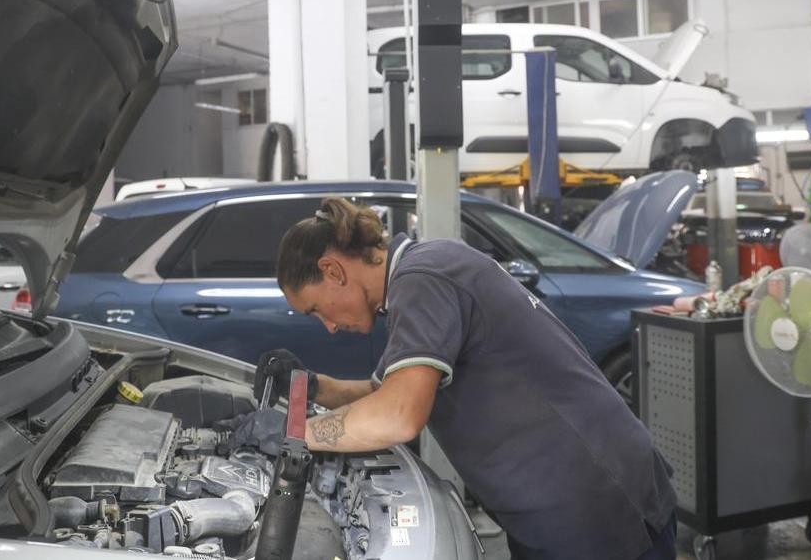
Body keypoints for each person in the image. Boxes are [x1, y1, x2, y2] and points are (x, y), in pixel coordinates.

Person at [232, 197, 677, 559]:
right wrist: (314, 386)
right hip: (560, 506)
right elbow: (385, 392)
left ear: (333, 270)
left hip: (594, 509)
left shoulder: (425, 280)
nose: (326, 326)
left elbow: (399, 415)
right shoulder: (421, 274)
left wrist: (297, 434)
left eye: (315, 309)